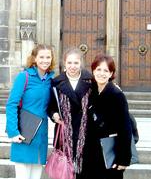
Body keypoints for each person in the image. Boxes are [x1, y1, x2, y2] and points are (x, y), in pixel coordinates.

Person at [6, 44, 55, 179]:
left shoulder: (52, 80)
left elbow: (52, 106)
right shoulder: (24, 76)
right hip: (24, 134)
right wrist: (13, 132)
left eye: (48, 57)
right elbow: (11, 104)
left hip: (41, 137)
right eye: (42, 57)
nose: (45, 60)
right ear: (34, 58)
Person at [47, 47, 93, 179]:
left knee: (84, 170)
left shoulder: (90, 81)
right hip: (64, 133)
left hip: (86, 133)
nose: (72, 66)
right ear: (64, 63)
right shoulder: (56, 82)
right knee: (65, 171)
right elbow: (51, 106)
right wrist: (54, 114)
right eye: (69, 63)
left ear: (81, 64)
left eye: (76, 63)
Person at [85, 53, 132, 179]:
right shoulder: (90, 91)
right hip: (90, 152)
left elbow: (125, 127)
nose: (101, 73)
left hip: (109, 153)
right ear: (93, 71)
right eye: (98, 69)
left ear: (111, 74)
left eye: (106, 70)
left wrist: (124, 158)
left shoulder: (117, 95)